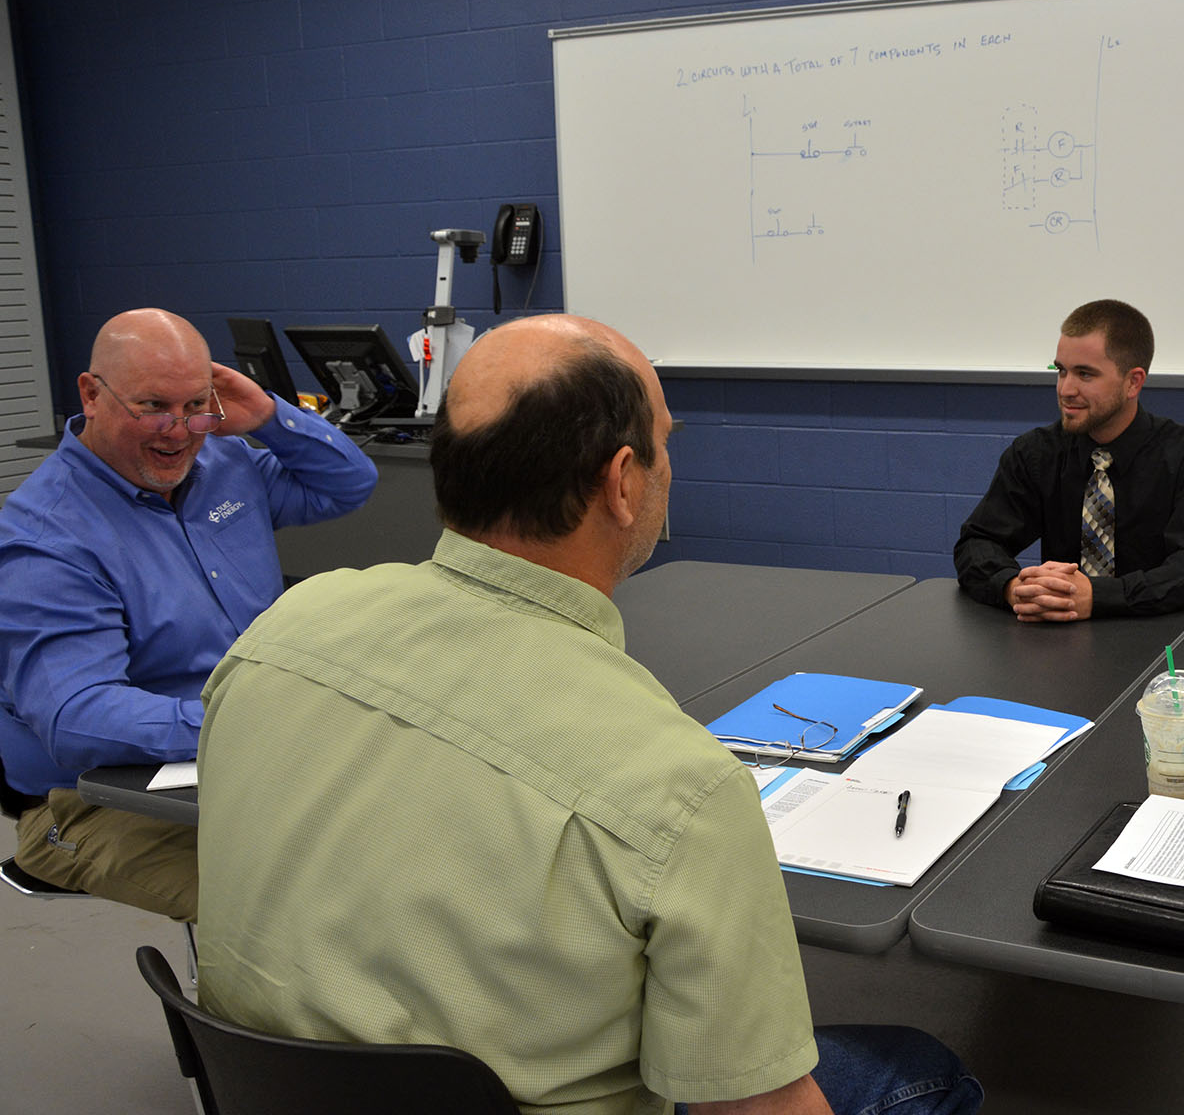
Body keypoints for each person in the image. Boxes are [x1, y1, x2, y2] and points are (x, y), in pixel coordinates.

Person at [196, 314, 982, 1115]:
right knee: (917, 1070)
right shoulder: (681, 789)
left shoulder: (281, 631)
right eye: (665, 445)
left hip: (271, 1090)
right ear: (623, 481)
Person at [0, 308, 377, 920]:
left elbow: (347, 485)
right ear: (91, 395)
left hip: (246, 755)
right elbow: (75, 717)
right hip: (95, 800)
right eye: (152, 407)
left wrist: (270, 417)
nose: (178, 432)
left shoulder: (221, 466)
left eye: (198, 407)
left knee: (401, 861)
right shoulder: (47, 538)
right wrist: (253, 721)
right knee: (309, 914)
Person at [954, 299, 1184, 620]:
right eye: (1061, 371)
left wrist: (1100, 596)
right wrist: (1013, 587)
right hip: (1059, 641)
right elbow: (977, 542)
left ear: (1133, 382)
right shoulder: (1035, 454)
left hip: (1162, 639)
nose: (1066, 389)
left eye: (1085, 374)